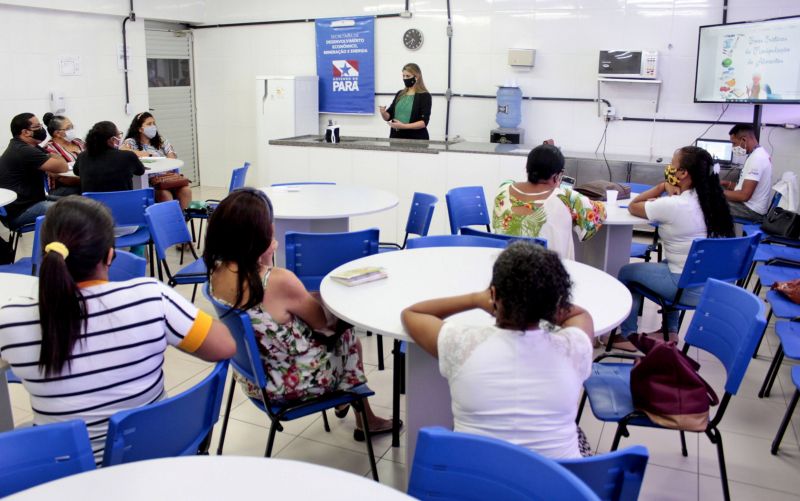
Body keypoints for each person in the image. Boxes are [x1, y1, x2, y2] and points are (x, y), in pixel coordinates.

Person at [0, 196, 235, 462]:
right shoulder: (151, 298)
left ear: (47, 255)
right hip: (152, 461)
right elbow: (225, 346)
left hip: (67, 477)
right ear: (111, 254)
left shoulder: (12, 318)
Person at [204, 188, 394, 440]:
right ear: (258, 235)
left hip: (253, 379)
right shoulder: (277, 280)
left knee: (340, 338)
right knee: (349, 340)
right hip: (287, 384)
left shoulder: (216, 274)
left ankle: (354, 409)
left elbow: (274, 308)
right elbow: (323, 325)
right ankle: (364, 419)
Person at [401, 242, 594, 459]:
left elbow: (412, 314)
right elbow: (581, 315)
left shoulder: (462, 344)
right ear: (554, 301)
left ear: (493, 294)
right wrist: (541, 304)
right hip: (555, 486)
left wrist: (475, 299)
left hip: (475, 485)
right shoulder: (573, 349)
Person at [610, 146, 735, 351]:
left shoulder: (675, 205)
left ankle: (628, 336)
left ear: (683, 173)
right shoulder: (711, 201)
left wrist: (661, 187)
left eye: (673, 165)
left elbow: (633, 206)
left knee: (627, 272)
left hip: (683, 287)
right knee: (667, 263)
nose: (670, 169)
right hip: (709, 284)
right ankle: (670, 331)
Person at [492, 143, 605, 259]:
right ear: (557, 175)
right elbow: (598, 213)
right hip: (548, 273)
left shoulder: (503, 189)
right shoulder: (566, 198)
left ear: (527, 169)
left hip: (505, 269)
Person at [0, 113, 68, 229]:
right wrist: (55, 156)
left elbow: (53, 167)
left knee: (76, 202)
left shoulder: (24, 146)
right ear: (25, 132)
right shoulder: (24, 150)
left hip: (30, 201)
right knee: (75, 211)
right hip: (20, 211)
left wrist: (52, 158)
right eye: (37, 127)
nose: (42, 129)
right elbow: (63, 167)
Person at [121, 112, 192, 210]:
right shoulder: (131, 142)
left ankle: (181, 220)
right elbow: (123, 151)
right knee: (164, 194)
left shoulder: (160, 141)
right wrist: (145, 154)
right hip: (149, 182)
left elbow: (172, 157)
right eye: (149, 124)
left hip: (167, 179)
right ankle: (169, 221)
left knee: (186, 191)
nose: (153, 126)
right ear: (140, 129)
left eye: (154, 123)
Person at [73, 121, 145, 193]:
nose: (120, 137)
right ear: (112, 140)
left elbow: (76, 172)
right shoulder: (128, 156)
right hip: (122, 202)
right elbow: (140, 171)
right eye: (118, 135)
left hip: (91, 203)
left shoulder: (82, 156)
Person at [722, 123, 773, 225]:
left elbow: (744, 196)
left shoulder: (757, 159)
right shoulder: (757, 154)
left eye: (734, 143)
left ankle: (714, 239)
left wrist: (714, 192)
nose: (733, 147)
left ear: (744, 140)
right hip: (750, 206)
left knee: (706, 203)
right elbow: (744, 188)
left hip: (752, 211)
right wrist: (727, 184)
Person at [379, 63, 432, 140]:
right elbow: (388, 116)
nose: (405, 78)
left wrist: (403, 126)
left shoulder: (424, 96)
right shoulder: (400, 94)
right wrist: (383, 112)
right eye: (403, 76)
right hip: (396, 137)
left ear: (417, 77)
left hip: (415, 138)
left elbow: (423, 122)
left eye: (408, 76)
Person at [42, 112, 84, 196]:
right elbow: (61, 178)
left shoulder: (79, 142)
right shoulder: (49, 149)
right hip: (62, 188)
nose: (72, 130)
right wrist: (89, 180)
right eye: (69, 128)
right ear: (57, 133)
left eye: (72, 127)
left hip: (85, 182)